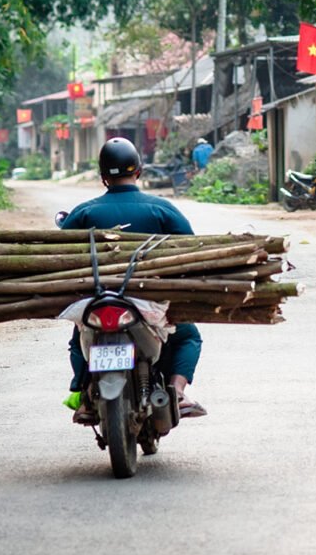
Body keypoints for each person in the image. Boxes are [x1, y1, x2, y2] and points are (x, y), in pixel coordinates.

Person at [60, 137, 207, 423]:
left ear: (103, 177)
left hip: (99, 301)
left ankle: (86, 395)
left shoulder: (84, 212)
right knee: (188, 335)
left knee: (78, 339)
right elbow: (191, 247)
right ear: (138, 171)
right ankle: (177, 392)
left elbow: (58, 252)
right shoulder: (162, 209)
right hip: (150, 300)